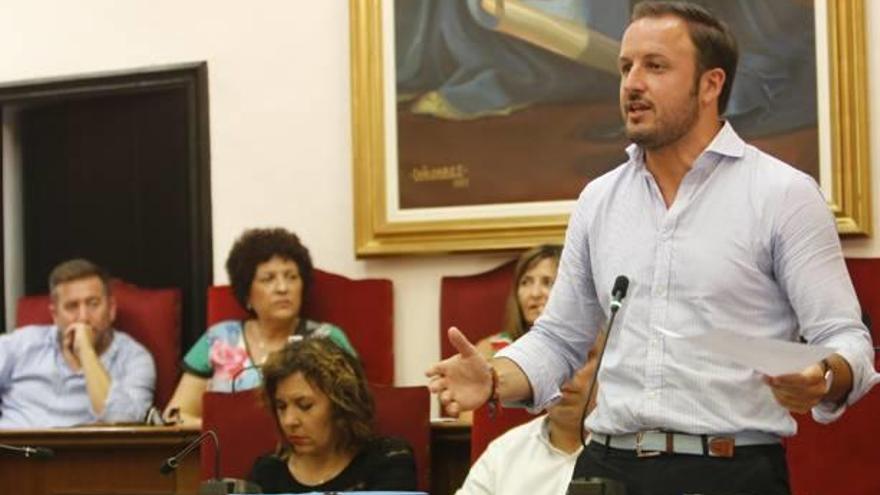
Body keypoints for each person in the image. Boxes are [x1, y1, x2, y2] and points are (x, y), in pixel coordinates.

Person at [426, 2, 879, 495]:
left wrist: (824, 375)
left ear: (711, 84)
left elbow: (845, 340)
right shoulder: (599, 200)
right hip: (609, 468)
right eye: (625, 67)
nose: (631, 83)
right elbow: (558, 339)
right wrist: (493, 379)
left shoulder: (781, 194)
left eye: (655, 66)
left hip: (730, 470)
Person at [164, 228, 356, 425]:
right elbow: (175, 416)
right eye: (268, 279)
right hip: (229, 450)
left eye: (291, 277)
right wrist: (225, 430)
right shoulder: (219, 339)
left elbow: (357, 415)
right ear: (247, 294)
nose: (283, 288)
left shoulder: (327, 339)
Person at [0, 259, 155, 428]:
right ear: (55, 315)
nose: (83, 317)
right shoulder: (21, 344)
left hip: (79, 453)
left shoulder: (134, 358)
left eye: (93, 304)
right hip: (12, 450)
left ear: (111, 309)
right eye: (72, 306)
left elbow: (124, 423)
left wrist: (86, 352)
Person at [249, 339, 417, 493]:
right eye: (281, 407)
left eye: (305, 406)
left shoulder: (388, 460)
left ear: (341, 406)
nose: (289, 421)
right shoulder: (268, 472)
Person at [457, 347, 599, 495]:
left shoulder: (622, 451)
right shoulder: (504, 452)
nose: (565, 373)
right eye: (555, 359)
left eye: (582, 357)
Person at [475, 244, 562, 359]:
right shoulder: (489, 350)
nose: (534, 294)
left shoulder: (584, 349)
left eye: (548, 283)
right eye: (526, 282)